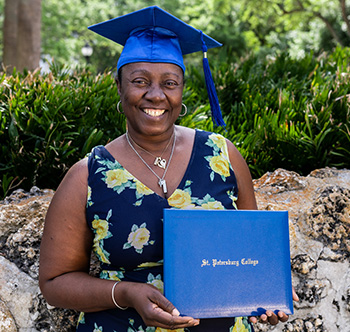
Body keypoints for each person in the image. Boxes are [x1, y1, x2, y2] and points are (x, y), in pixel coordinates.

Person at [39, 6, 298, 332]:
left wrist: (265, 293)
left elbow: (251, 254)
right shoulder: (88, 175)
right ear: (119, 87)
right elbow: (54, 281)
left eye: (169, 83)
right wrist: (128, 293)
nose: (155, 95)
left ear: (182, 90)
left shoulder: (222, 156)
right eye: (139, 81)